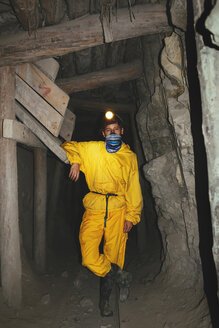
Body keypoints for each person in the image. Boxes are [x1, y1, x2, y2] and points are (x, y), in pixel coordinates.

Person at [61, 112, 143, 317]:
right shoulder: (93, 149)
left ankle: (105, 303)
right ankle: (121, 277)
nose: (113, 133)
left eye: (116, 129)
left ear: (122, 131)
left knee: (113, 256)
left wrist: (132, 216)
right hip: (94, 209)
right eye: (109, 130)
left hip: (118, 210)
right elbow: (68, 145)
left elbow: (133, 187)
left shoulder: (129, 157)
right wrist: (76, 161)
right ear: (103, 133)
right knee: (89, 257)